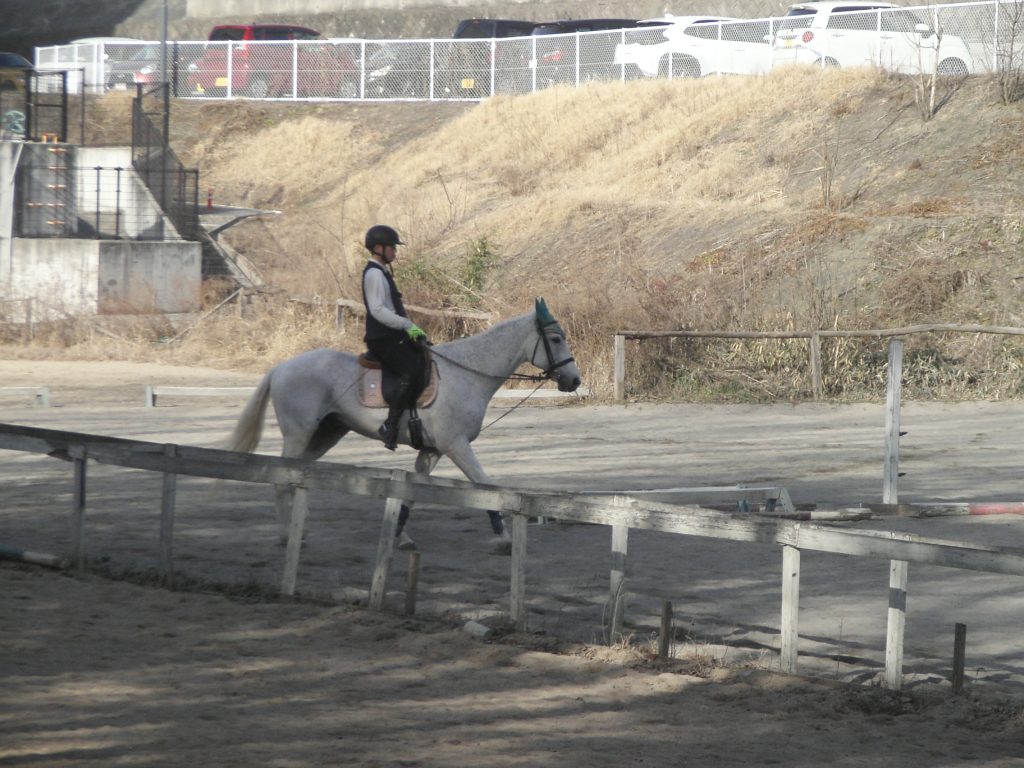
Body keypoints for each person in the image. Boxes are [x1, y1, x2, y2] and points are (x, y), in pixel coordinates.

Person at [361, 224, 428, 451]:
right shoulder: (374, 274)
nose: (395, 252)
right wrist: (408, 325)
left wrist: (413, 332)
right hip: (382, 339)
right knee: (411, 371)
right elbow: (378, 310)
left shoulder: (382, 272)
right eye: (392, 247)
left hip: (393, 335)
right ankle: (389, 425)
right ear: (379, 248)